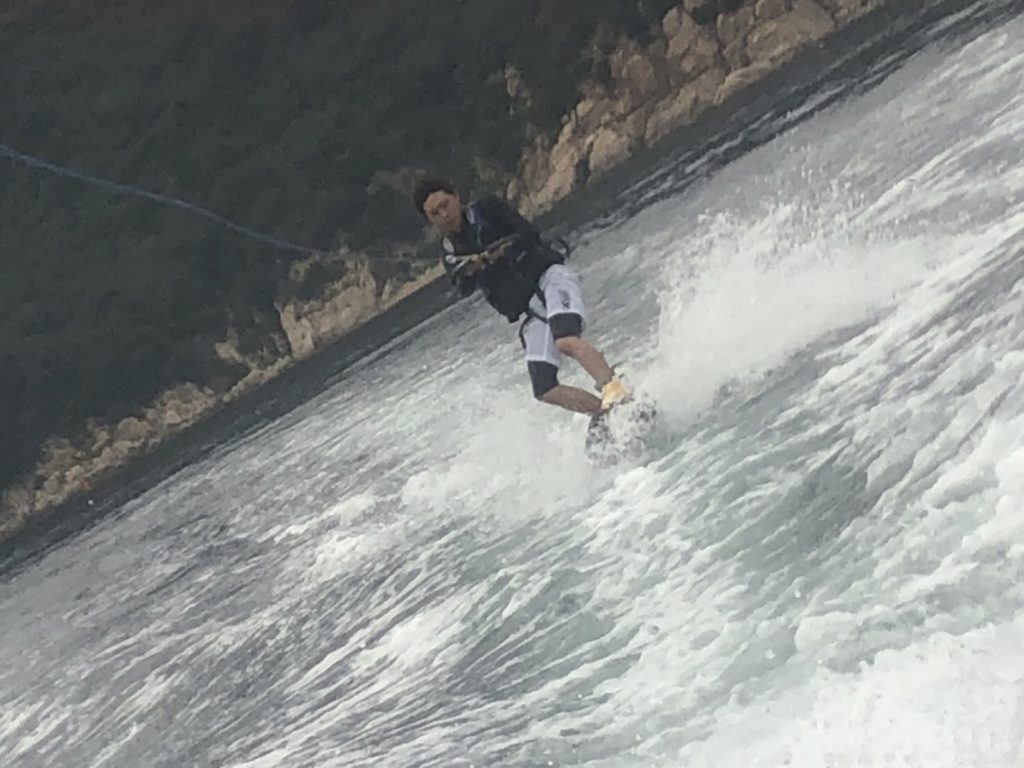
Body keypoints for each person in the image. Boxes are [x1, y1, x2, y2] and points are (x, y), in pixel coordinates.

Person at [413, 178, 629, 414]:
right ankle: (603, 412)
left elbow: (528, 233)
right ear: (430, 220)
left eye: (445, 205)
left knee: (565, 341)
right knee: (544, 388)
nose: (444, 215)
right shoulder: (449, 251)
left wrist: (498, 251)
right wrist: (471, 267)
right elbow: (462, 286)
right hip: (531, 308)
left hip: (550, 279)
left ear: (456, 197)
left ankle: (616, 390)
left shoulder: (487, 209)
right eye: (435, 213)